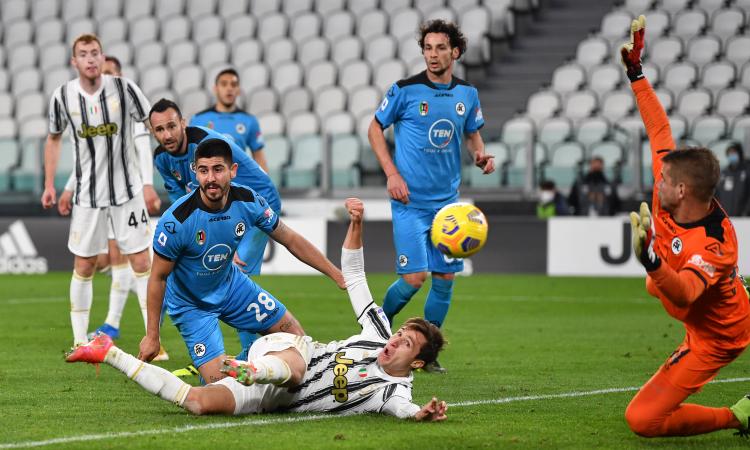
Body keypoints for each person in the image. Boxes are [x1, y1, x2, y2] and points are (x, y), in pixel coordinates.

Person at [66, 198, 448, 422]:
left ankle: (106, 352)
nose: (394, 342)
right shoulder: (377, 332)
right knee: (296, 369)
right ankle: (252, 367)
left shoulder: (392, 392)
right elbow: (355, 271)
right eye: (400, 335)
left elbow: (405, 410)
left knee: (199, 401)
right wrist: (357, 223)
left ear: (416, 364)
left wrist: (421, 414)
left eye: (406, 345)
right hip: (292, 353)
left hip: (270, 397)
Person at [621, 16, 750, 438]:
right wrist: (637, 75)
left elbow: (688, 292)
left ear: (681, 189)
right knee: (656, 286)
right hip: (696, 306)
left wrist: (651, 260)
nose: (655, 181)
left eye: (663, 180)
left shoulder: (714, 244)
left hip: (718, 336)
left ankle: (741, 415)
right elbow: (659, 128)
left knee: (642, 421)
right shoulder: (672, 190)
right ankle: (740, 287)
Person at [136, 138, 344, 384]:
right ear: (195, 172)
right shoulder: (176, 222)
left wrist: (336, 274)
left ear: (232, 171)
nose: (210, 178)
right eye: (203, 171)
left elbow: (290, 239)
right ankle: (224, 368)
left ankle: (262, 369)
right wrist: (152, 335)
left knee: (296, 338)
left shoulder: (248, 201)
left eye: (218, 169)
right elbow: (158, 277)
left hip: (232, 286)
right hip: (191, 305)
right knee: (220, 384)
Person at [367, 19, 494, 372]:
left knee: (445, 279)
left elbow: (472, 134)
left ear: (455, 51)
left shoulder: (467, 94)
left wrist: (479, 154)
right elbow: (374, 127)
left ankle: (429, 354)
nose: (432, 54)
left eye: (440, 48)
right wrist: (392, 173)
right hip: (409, 203)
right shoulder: (404, 90)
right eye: (427, 48)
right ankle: (376, 327)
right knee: (414, 279)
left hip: (448, 207)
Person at [149, 98, 283, 376]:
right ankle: (213, 354)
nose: (167, 135)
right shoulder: (162, 158)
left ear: (183, 124)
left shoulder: (205, 145)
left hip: (254, 206)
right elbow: (181, 197)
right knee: (189, 275)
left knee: (239, 279)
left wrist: (224, 229)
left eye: (172, 126)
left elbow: (234, 188)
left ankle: (247, 358)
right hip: (217, 213)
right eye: (159, 130)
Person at [42, 34, 154, 347]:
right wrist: (51, 184)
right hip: (87, 197)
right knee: (85, 265)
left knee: (142, 262)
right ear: (73, 61)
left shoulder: (124, 87)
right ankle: (80, 342)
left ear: (103, 58)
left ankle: (152, 340)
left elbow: (149, 122)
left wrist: (153, 176)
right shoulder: (63, 96)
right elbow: (53, 139)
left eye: (95, 53)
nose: (91, 59)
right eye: (84, 54)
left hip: (127, 193)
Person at [189, 68, 268, 173]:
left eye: (233, 84)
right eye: (224, 84)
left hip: (239, 183)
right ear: (215, 89)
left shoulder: (249, 121)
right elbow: (190, 157)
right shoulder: (198, 120)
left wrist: (265, 186)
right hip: (208, 183)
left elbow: (259, 158)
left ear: (238, 90)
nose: (229, 88)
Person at [717, 142, 750, 217]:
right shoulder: (723, 174)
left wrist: (746, 212)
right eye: (730, 153)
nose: (732, 155)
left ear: (739, 154)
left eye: (734, 153)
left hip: (743, 217)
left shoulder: (747, 171)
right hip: (725, 216)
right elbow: (717, 195)